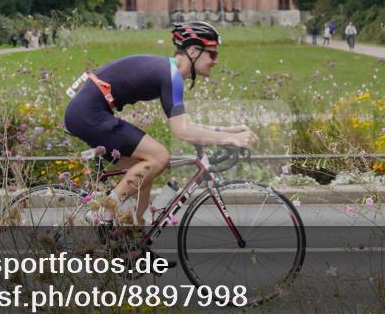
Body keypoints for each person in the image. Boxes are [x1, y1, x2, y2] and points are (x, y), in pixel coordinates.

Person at [63, 21, 257, 225]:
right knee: (159, 156)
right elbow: (182, 132)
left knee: (144, 170)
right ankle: (103, 212)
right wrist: (229, 139)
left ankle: (135, 236)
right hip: (89, 114)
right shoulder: (171, 75)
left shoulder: (169, 72)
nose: (215, 61)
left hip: (87, 113)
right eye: (212, 54)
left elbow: (184, 124)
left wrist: (228, 131)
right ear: (193, 51)